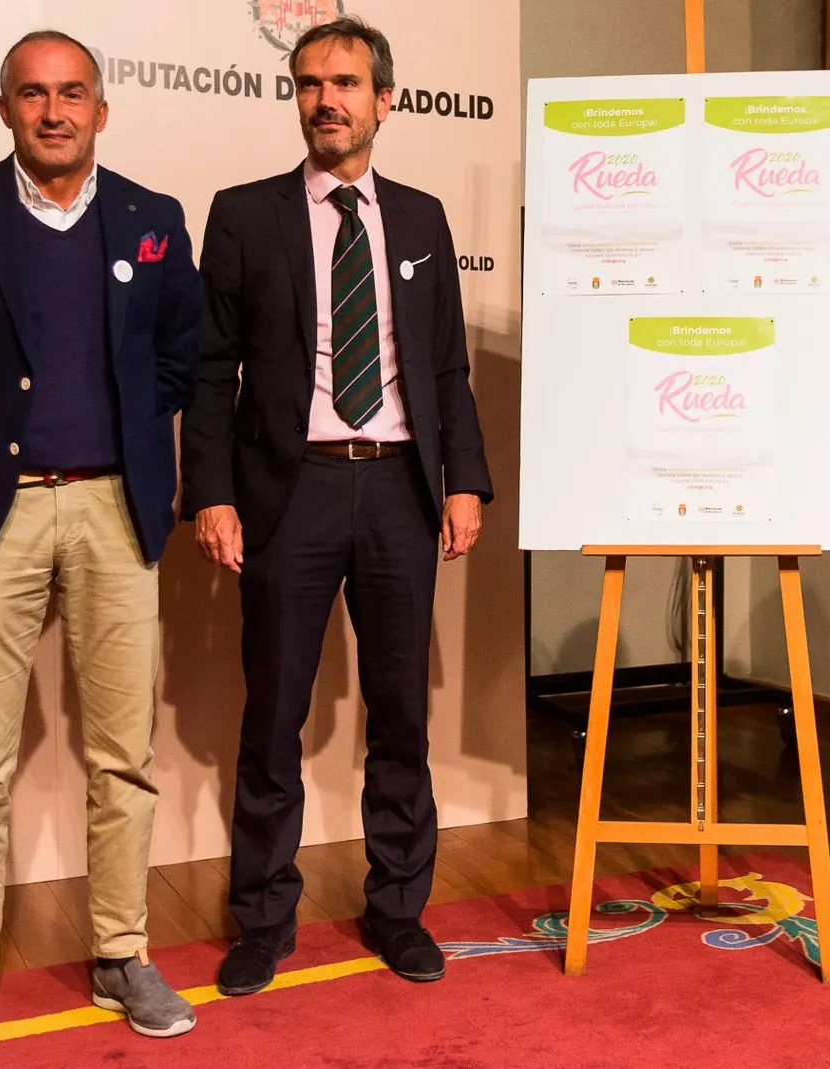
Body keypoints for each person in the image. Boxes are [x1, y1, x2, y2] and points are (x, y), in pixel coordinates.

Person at [0, 29, 203, 1069]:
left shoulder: (154, 218)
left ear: (102, 110)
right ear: (5, 108)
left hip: (116, 511)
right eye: (32, 95)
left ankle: (121, 953)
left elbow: (177, 359)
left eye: (72, 95)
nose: (53, 112)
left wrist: (116, 443)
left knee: (124, 755)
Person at [180, 15, 491, 994]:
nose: (327, 99)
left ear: (383, 100)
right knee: (272, 715)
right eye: (311, 82)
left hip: (400, 487)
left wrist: (467, 478)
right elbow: (208, 369)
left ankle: (398, 908)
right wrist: (212, 494)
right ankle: (262, 919)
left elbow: (445, 365)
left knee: (400, 715)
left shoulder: (423, 216)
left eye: (347, 83)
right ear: (298, 97)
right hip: (290, 489)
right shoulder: (242, 214)